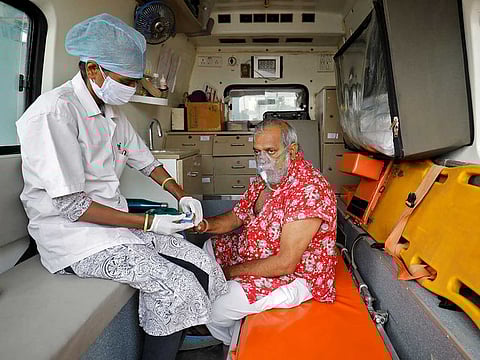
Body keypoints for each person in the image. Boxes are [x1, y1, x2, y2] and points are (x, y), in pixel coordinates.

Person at [16, 13, 227, 360]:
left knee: (198, 259)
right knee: (176, 284)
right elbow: (73, 207)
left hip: (113, 226)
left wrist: (181, 193)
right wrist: (149, 222)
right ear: (94, 69)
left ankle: (183, 329)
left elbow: (147, 162)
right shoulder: (54, 113)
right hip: (72, 238)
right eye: (125, 80)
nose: (131, 88)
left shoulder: (111, 111)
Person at [193, 119, 338, 346]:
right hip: (260, 253)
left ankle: (235, 341)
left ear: (292, 149)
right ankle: (234, 324)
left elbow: (286, 263)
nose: (262, 159)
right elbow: (236, 217)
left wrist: (230, 271)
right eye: (257, 152)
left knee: (213, 305)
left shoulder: (308, 189)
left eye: (270, 151)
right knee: (209, 248)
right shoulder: (266, 180)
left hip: (295, 276)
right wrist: (202, 224)